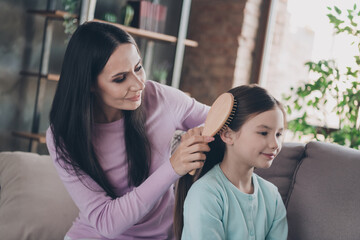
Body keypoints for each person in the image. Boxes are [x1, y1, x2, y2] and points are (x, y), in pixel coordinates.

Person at [46, 21, 213, 240]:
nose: (139, 85)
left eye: (138, 68)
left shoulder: (159, 98)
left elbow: (222, 119)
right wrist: (173, 167)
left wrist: (199, 134)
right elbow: (107, 223)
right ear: (90, 84)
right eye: (120, 78)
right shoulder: (64, 135)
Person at [174, 85, 288, 240]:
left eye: (279, 134)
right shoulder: (206, 194)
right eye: (263, 133)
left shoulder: (272, 196)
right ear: (228, 135)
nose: (275, 144)